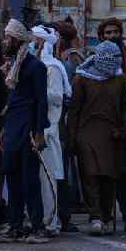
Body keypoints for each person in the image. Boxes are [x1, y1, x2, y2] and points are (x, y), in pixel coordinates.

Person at [0, 19, 51, 244]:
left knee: (30, 179)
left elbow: (41, 101)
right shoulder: (11, 66)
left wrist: (39, 132)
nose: (4, 41)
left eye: (8, 37)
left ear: (17, 40)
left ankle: (37, 227)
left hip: (28, 129)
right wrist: (4, 129)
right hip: (12, 128)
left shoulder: (35, 66)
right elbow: (12, 100)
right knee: (12, 176)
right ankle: (15, 226)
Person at [69, 41, 126, 235]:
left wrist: (122, 128)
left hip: (111, 134)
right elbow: (75, 110)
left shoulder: (119, 78)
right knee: (90, 175)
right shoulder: (81, 79)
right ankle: (95, 217)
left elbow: (125, 106)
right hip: (86, 133)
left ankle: (106, 216)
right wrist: (72, 137)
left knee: (109, 177)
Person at [32, 25, 70, 236]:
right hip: (31, 129)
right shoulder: (29, 66)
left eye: (35, 41)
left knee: (48, 179)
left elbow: (56, 97)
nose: (31, 45)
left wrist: (35, 91)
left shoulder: (52, 68)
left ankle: (50, 223)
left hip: (47, 130)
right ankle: (36, 219)